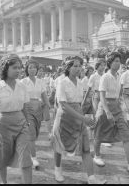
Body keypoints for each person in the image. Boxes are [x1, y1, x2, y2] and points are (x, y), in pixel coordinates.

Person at [51, 56, 106, 184]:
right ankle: (57, 169)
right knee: (59, 146)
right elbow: (63, 105)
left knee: (86, 148)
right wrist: (83, 118)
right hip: (64, 118)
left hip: (78, 117)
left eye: (79, 66)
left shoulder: (81, 83)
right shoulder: (62, 82)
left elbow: (80, 102)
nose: (78, 68)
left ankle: (91, 178)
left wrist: (85, 116)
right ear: (68, 67)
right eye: (74, 66)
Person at [94, 52, 129, 171]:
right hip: (105, 107)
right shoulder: (105, 77)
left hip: (117, 107)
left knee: (126, 133)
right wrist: (107, 112)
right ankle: (97, 155)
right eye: (115, 61)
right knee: (99, 133)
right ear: (110, 63)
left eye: (119, 61)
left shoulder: (119, 76)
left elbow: (119, 94)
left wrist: (120, 106)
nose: (118, 63)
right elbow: (102, 96)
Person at [0, 54, 32, 184]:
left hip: (21, 123)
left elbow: (25, 107)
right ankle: (4, 182)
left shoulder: (22, 85)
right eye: (15, 67)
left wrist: (27, 124)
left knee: (26, 156)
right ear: (6, 68)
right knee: (2, 157)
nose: (19, 70)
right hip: (3, 124)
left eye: (20, 68)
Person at [21, 60, 51, 168]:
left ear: (37, 69)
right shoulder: (23, 82)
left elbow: (44, 95)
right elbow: (20, 97)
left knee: (36, 133)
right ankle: (33, 158)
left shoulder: (40, 81)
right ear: (27, 69)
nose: (32, 69)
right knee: (31, 134)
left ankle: (27, 151)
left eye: (34, 67)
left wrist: (48, 104)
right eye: (30, 67)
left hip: (38, 108)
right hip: (27, 108)